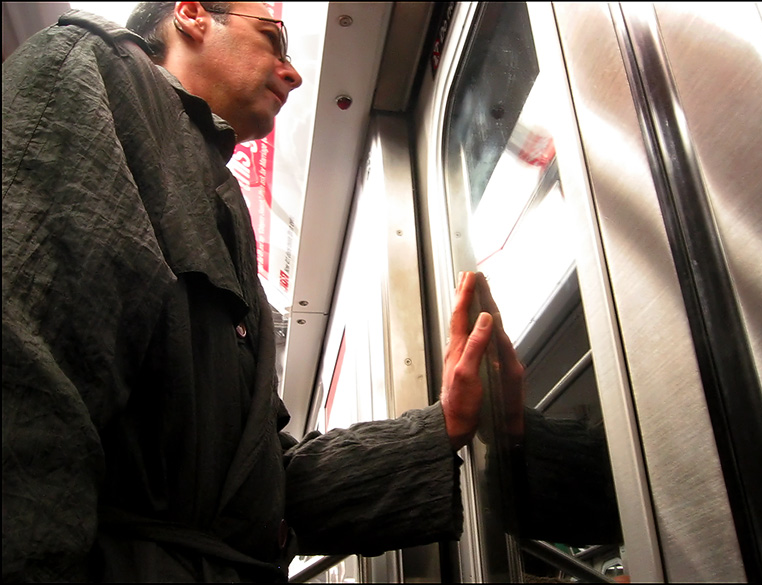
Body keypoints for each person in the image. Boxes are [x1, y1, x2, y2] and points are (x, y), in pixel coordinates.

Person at [2, 2, 496, 582]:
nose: (294, 73)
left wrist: (442, 428)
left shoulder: (219, 197)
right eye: (273, 40)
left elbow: (261, 489)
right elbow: (21, 380)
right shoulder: (92, 74)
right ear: (191, 14)